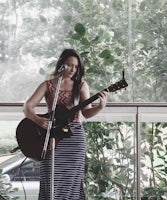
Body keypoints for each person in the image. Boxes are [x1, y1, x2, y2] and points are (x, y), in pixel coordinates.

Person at [23, 48, 108, 200]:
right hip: (52, 137)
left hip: (74, 137)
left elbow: (86, 113)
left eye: (76, 67)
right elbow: (27, 107)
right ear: (61, 65)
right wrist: (38, 120)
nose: (72, 70)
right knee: (50, 180)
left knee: (71, 182)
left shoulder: (81, 85)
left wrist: (100, 106)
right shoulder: (48, 85)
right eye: (69, 65)